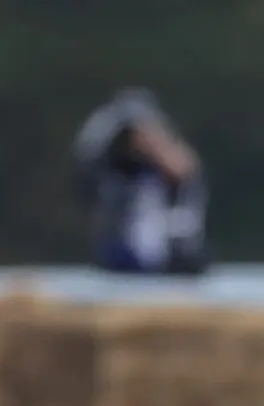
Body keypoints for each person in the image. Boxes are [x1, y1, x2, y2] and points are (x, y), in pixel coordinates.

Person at [74, 89, 209, 276]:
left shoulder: (174, 180)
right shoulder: (116, 175)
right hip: (128, 265)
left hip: (171, 265)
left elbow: (184, 169)